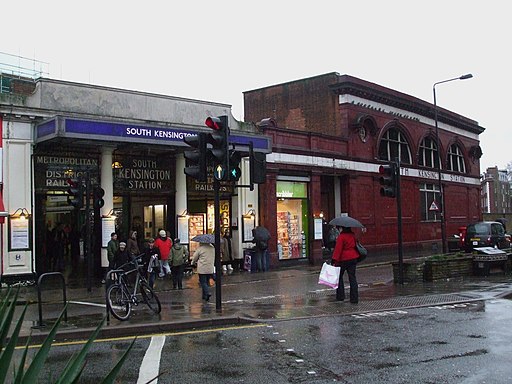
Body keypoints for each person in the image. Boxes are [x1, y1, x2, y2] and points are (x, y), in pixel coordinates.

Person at [331, 226, 359, 303]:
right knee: (352, 278)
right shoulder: (353, 235)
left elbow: (338, 249)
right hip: (353, 258)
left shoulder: (341, 237)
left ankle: (340, 296)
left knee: (339, 277)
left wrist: (334, 260)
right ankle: (354, 298)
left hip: (343, 259)